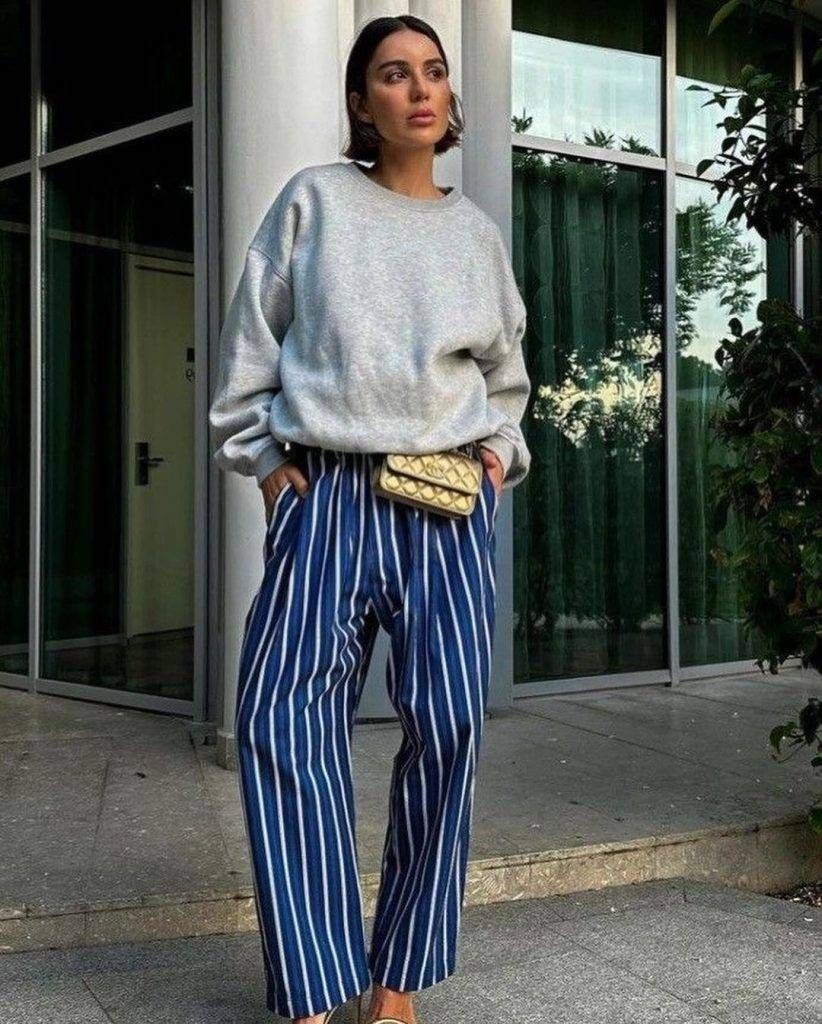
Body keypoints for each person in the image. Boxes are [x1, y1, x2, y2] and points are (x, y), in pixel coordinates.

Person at [208, 14, 531, 1024]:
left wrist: (497, 455)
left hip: (446, 502)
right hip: (329, 495)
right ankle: (315, 984)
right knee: (280, 719)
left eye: (433, 72)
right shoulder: (313, 202)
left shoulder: (476, 235)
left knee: (449, 726)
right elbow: (251, 344)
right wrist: (265, 463)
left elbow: (507, 378)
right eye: (394, 74)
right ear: (361, 102)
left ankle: (395, 985)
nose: (420, 89)